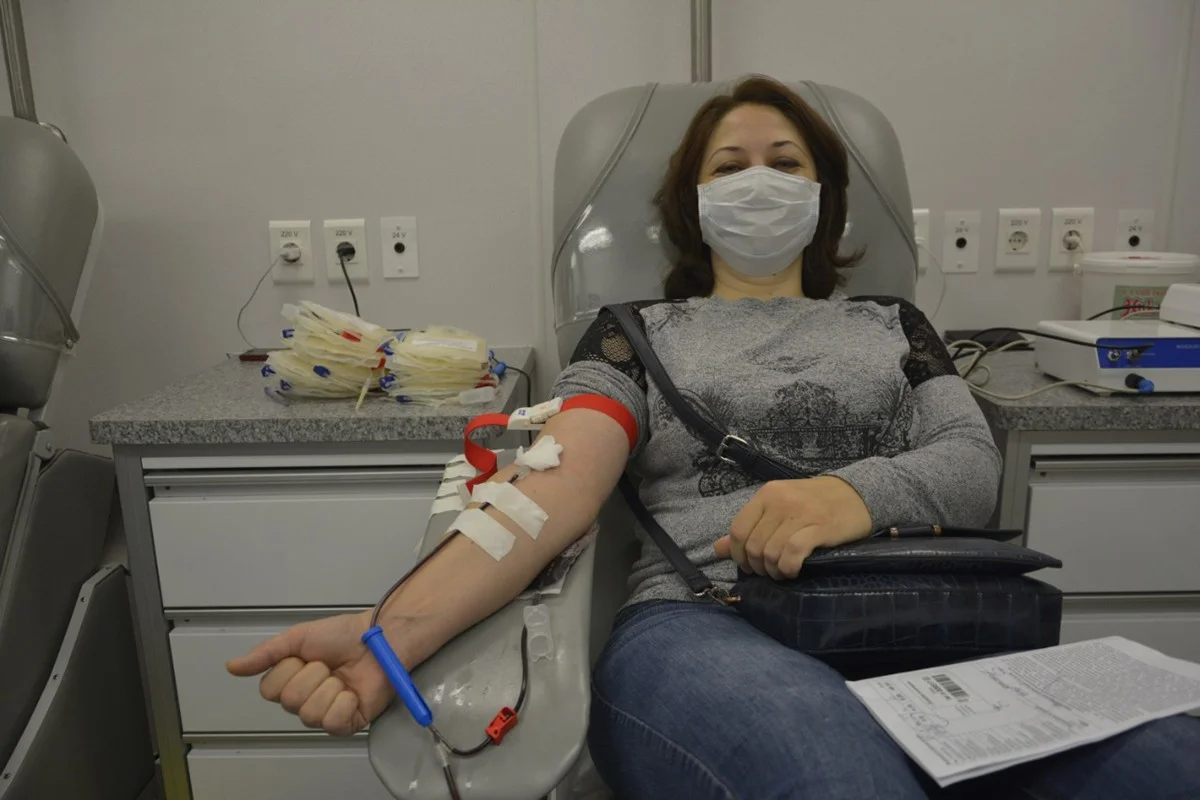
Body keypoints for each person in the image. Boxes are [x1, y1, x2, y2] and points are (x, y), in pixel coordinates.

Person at [228, 75, 1200, 798]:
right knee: (835, 773)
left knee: (1168, 759)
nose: (758, 181)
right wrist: (391, 632)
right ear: (693, 205)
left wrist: (849, 496)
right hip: (706, 622)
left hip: (923, 614)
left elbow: (969, 463)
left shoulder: (894, 325)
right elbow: (555, 486)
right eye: (729, 168)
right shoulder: (633, 334)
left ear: (825, 197)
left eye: (787, 163)